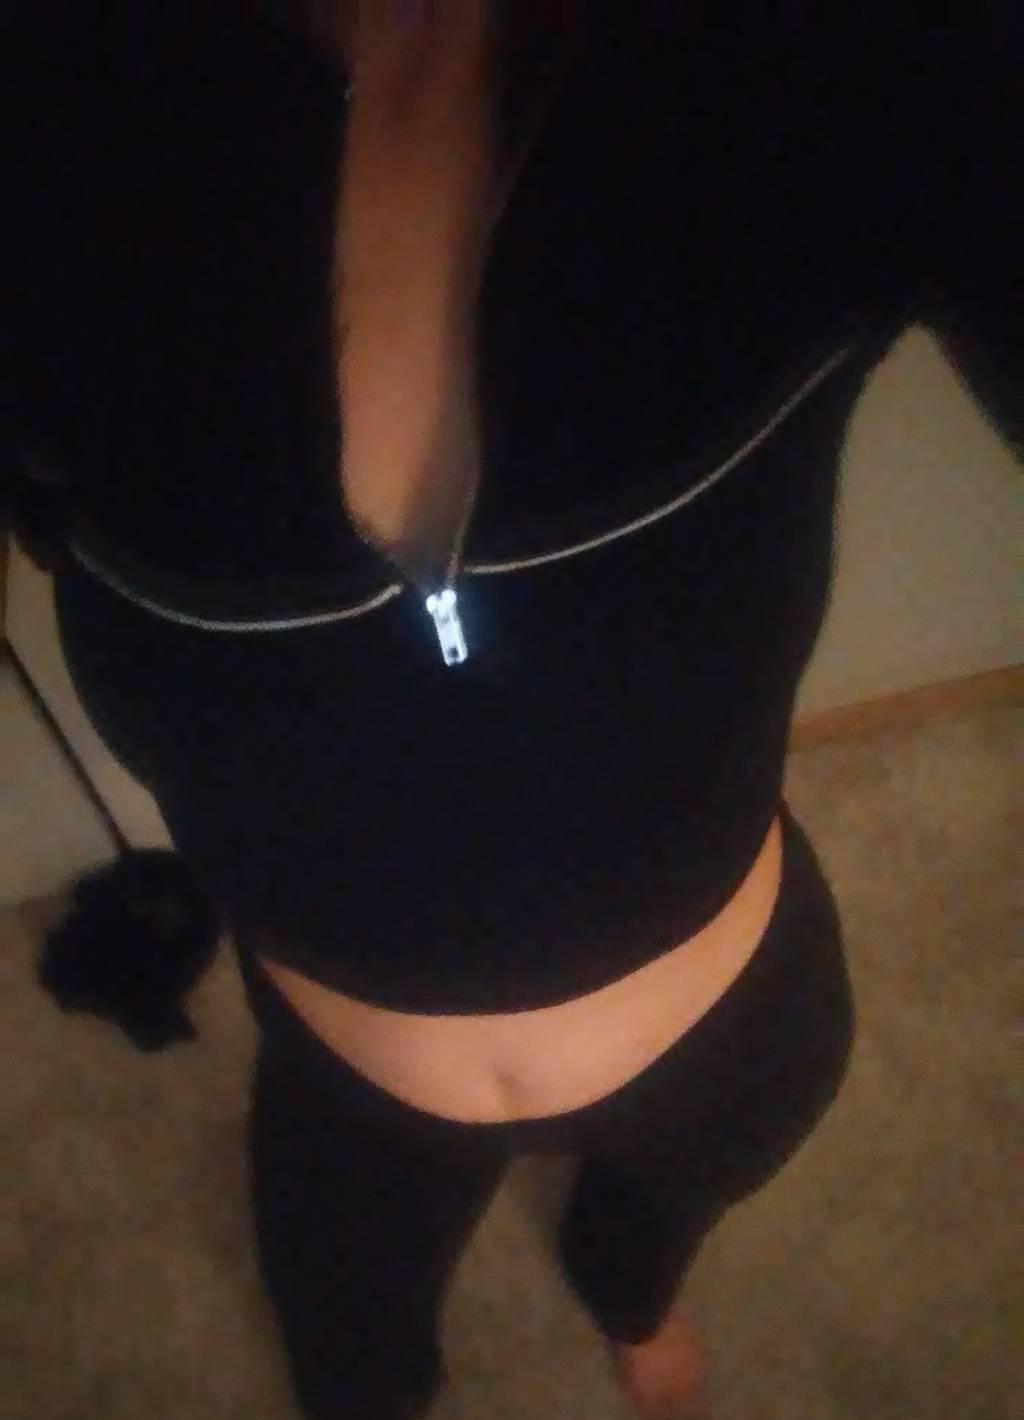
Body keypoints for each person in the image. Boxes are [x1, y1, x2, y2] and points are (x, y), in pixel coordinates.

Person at [6, 4, 1018, 1418]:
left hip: (742, 1035)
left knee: (649, 1246)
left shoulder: (848, 57)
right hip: (350, 1089)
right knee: (352, 1370)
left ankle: (629, 1294)